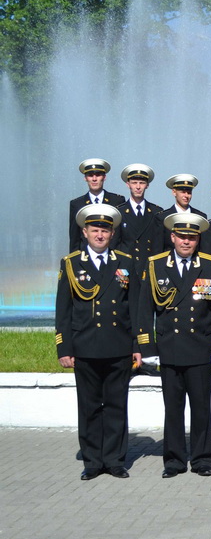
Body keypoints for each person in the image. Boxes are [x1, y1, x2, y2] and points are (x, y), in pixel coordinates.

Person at [137, 212, 211, 478]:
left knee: (201, 408)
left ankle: (202, 459)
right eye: (182, 237)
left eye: (192, 237)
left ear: (198, 239)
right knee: (173, 409)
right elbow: (145, 308)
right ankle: (174, 461)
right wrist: (148, 347)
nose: (186, 242)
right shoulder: (155, 265)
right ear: (172, 237)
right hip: (170, 348)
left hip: (200, 348)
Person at [56, 204, 139, 480]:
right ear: (85, 231)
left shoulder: (125, 262)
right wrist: (64, 347)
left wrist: (138, 346)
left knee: (116, 405)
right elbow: (63, 310)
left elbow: (134, 307)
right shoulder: (71, 263)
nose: (100, 235)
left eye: (105, 230)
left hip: (118, 346)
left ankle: (115, 460)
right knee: (89, 406)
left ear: (112, 233)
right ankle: (92, 461)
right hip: (86, 346)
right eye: (95, 230)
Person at [111, 164, 164, 268]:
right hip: (126, 266)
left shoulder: (156, 212)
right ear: (128, 184)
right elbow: (114, 244)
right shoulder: (119, 212)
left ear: (147, 185)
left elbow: (158, 245)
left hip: (148, 266)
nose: (138, 187)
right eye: (134, 183)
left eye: (142, 183)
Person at [68, 159, 125, 252]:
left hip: (112, 256)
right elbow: (75, 238)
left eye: (98, 175)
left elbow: (121, 234)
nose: (94, 179)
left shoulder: (117, 201)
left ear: (104, 177)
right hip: (86, 257)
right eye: (90, 176)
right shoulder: (77, 204)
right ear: (85, 178)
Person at [158, 174, 207, 247]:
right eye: (183, 192)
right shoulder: (162, 217)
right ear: (174, 192)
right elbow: (158, 247)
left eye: (189, 192)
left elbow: (204, 247)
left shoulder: (200, 217)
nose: (186, 196)